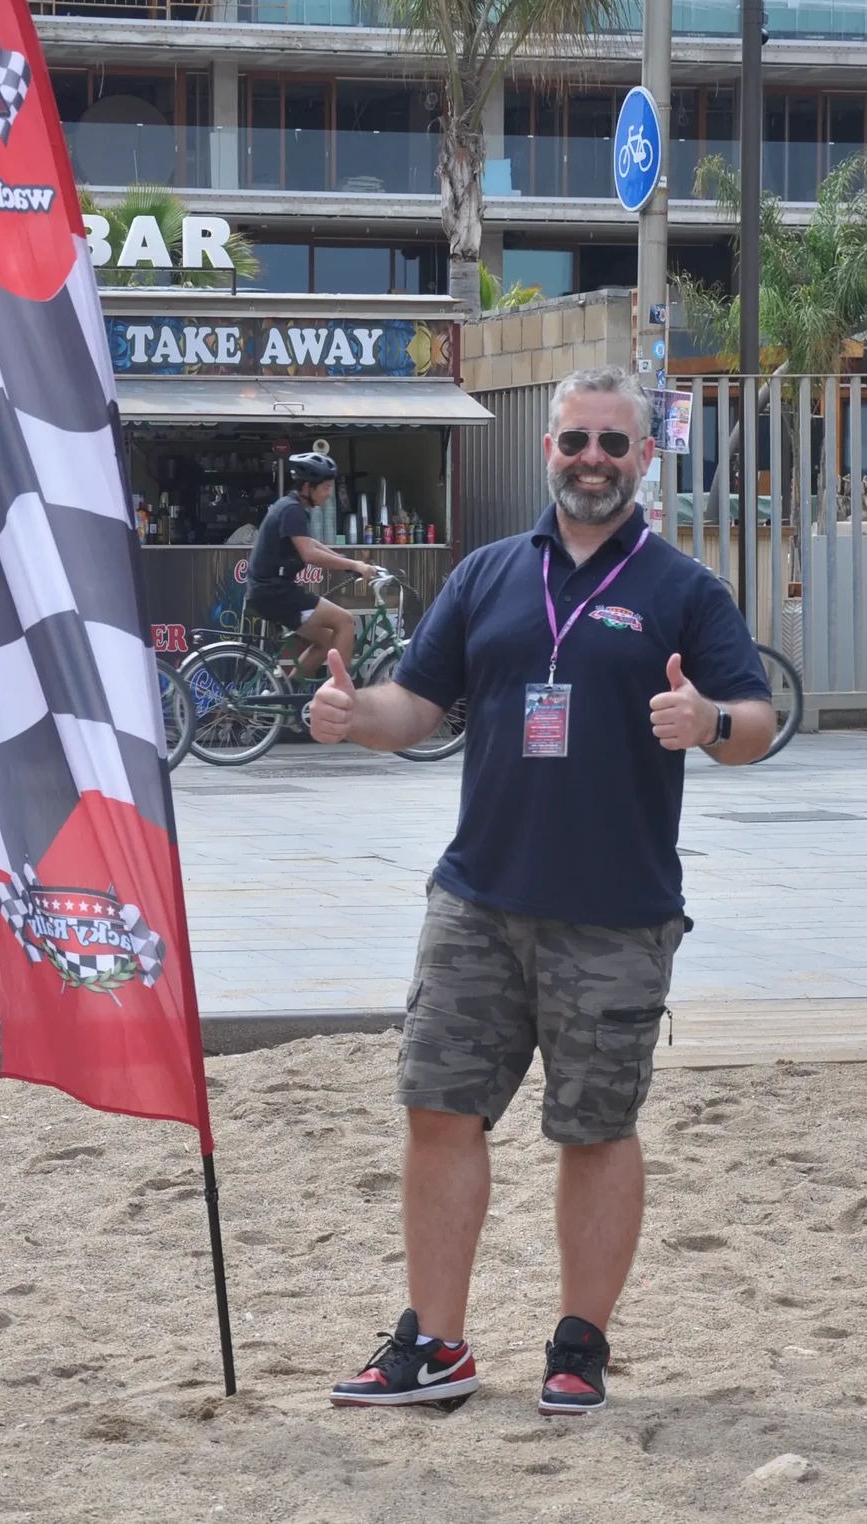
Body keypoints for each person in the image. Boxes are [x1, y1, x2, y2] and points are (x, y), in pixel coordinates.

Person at [308, 365, 775, 1417]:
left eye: (614, 443)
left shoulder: (683, 591)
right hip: (476, 898)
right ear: (549, 449)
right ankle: (434, 1344)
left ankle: (579, 1343)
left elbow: (757, 725)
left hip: (615, 912)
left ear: (646, 457)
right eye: (575, 442)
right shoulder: (486, 575)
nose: (592, 460)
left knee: (595, 1128)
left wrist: (707, 723)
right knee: (438, 1110)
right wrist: (352, 715)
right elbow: (413, 706)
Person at [246, 451, 375, 682]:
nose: (328, 494)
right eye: (325, 488)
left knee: (326, 641)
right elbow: (309, 553)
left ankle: (286, 692)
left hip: (270, 592)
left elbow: (311, 544)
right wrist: (354, 564)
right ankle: (341, 693)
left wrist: (349, 563)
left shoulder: (290, 507)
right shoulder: (292, 510)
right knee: (345, 621)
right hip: (275, 592)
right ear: (308, 487)